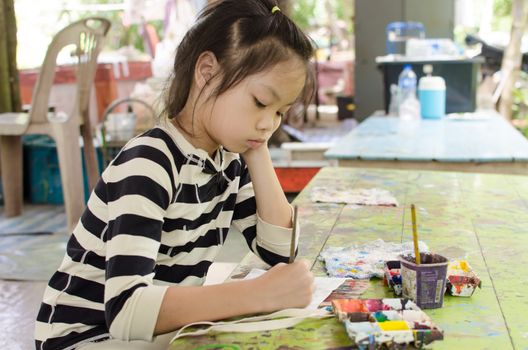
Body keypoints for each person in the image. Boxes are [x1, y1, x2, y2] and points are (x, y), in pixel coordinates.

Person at [35, 0, 316, 349]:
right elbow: (125, 311)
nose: (269, 123)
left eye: (280, 112)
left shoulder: (229, 161)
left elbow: (278, 257)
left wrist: (258, 151)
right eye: (260, 102)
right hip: (84, 338)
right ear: (207, 71)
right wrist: (257, 294)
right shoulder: (149, 162)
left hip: (151, 333)